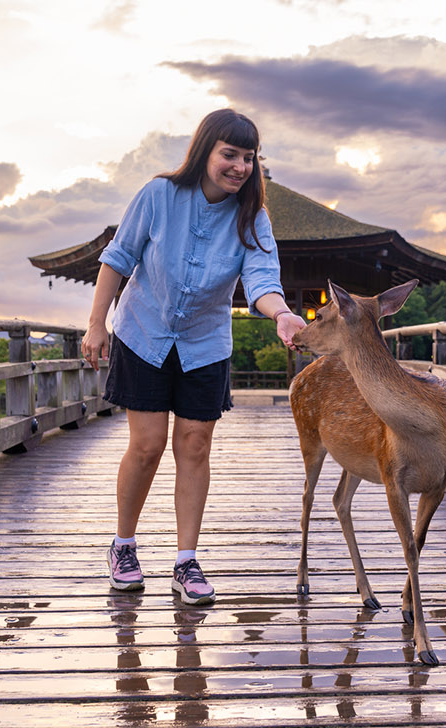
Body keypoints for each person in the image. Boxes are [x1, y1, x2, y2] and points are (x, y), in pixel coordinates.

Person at [81, 109, 306, 605]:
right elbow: (117, 258)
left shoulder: (253, 217)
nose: (240, 166)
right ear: (204, 150)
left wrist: (282, 315)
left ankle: (186, 560)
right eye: (230, 154)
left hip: (204, 343)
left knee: (196, 444)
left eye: (249, 157)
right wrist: (97, 324)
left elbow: (262, 280)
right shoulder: (159, 195)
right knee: (147, 445)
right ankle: (123, 545)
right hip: (144, 332)